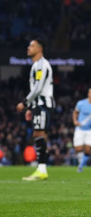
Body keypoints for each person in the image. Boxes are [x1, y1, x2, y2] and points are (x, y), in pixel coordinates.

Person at [16, 39, 55, 181]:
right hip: (38, 104)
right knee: (40, 134)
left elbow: (38, 88)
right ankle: (41, 168)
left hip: (43, 104)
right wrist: (31, 107)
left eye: (31, 46)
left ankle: (42, 169)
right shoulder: (36, 65)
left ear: (40, 49)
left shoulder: (42, 65)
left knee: (38, 133)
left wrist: (25, 103)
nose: (28, 48)